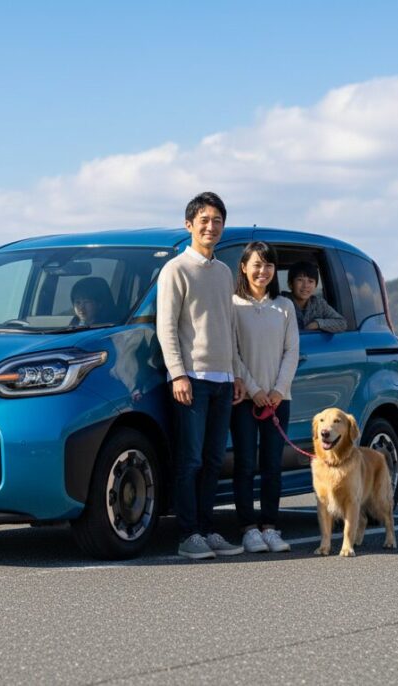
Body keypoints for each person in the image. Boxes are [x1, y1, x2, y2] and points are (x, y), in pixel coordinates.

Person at [157, 191, 246, 560]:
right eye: (204, 220)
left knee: (213, 459)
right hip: (192, 377)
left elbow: (229, 326)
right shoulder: (175, 269)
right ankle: (188, 533)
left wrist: (237, 373)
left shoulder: (225, 272)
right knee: (190, 459)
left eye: (218, 221)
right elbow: (166, 326)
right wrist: (178, 374)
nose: (211, 227)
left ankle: (208, 530)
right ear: (189, 225)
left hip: (224, 381)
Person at [230, 242, 299, 553]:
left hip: (278, 399)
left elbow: (291, 351)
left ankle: (270, 526)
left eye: (269, 265)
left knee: (272, 464)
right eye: (256, 265)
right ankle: (248, 528)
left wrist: (276, 391)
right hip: (245, 397)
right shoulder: (232, 305)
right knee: (245, 463)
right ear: (244, 266)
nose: (263, 271)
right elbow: (232, 352)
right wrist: (256, 390)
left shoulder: (284, 306)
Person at [287, 261, 346, 333]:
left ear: (315, 286)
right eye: (300, 280)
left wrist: (317, 324)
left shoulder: (318, 304)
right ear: (290, 284)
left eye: (310, 281)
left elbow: (342, 323)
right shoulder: (280, 303)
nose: (306, 285)